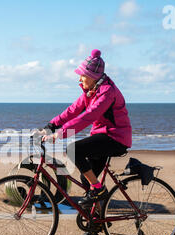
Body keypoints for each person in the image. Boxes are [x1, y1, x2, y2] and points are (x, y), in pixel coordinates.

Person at [42, 49, 132, 210]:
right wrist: (51, 125)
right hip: (103, 136)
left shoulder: (107, 93)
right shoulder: (92, 90)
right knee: (87, 179)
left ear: (92, 76)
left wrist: (60, 134)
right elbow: (74, 110)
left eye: (82, 75)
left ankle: (98, 190)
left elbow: (88, 116)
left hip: (115, 138)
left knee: (74, 149)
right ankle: (96, 219)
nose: (80, 78)